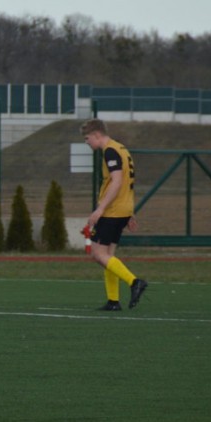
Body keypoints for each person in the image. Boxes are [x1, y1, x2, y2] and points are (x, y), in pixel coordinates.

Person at [81, 118, 148, 311]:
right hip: (123, 209)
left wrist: (100, 209)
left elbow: (117, 181)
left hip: (112, 210)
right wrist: (130, 212)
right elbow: (128, 181)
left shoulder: (110, 150)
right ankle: (113, 301)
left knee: (98, 254)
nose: (86, 142)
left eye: (87, 138)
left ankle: (134, 282)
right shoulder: (122, 148)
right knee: (108, 256)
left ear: (97, 135)